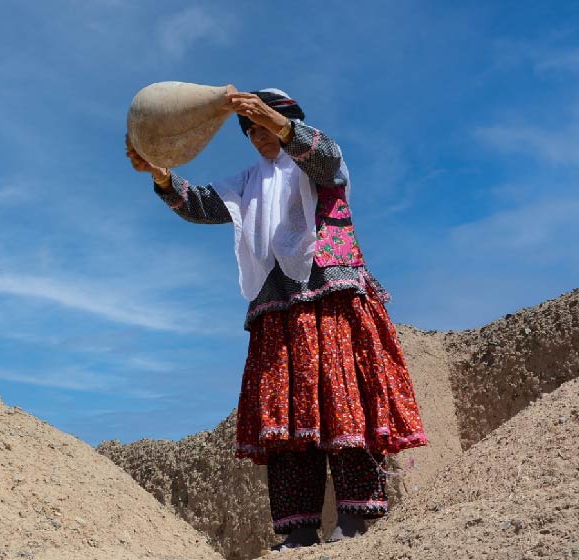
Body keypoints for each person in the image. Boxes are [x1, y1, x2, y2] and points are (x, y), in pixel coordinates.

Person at [125, 87, 428, 550]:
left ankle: (355, 518)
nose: (256, 137)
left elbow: (326, 160)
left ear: (283, 121)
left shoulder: (318, 159)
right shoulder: (250, 181)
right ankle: (299, 527)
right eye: (248, 131)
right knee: (283, 415)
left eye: (262, 126)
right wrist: (162, 175)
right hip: (277, 308)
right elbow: (204, 205)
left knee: (340, 399)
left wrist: (279, 123)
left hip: (329, 298)